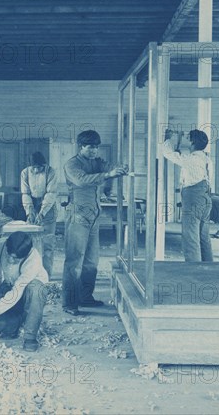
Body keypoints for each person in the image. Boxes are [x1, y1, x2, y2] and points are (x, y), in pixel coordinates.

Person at [62, 130, 128, 316]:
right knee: (75, 261)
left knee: (91, 261)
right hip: (78, 215)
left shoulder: (97, 162)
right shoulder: (72, 164)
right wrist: (108, 175)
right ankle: (69, 303)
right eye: (90, 147)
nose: (94, 151)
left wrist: (120, 167)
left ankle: (85, 297)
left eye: (96, 147)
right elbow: (81, 181)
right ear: (81, 146)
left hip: (94, 215)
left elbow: (110, 166)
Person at [162, 129, 214, 262]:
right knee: (204, 238)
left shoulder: (192, 159)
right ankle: (209, 269)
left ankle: (194, 273)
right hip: (206, 199)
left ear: (192, 142)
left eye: (188, 138)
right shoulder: (207, 159)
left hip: (193, 199)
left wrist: (168, 139)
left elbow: (168, 154)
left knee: (191, 238)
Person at [20, 151, 57, 278]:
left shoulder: (51, 172)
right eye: (33, 167)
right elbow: (25, 194)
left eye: (39, 167)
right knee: (31, 242)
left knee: (47, 243)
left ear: (44, 165)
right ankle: (32, 273)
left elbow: (51, 193)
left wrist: (42, 212)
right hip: (32, 203)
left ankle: (46, 275)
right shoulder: (25, 172)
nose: (36, 170)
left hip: (48, 205)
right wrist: (29, 211)